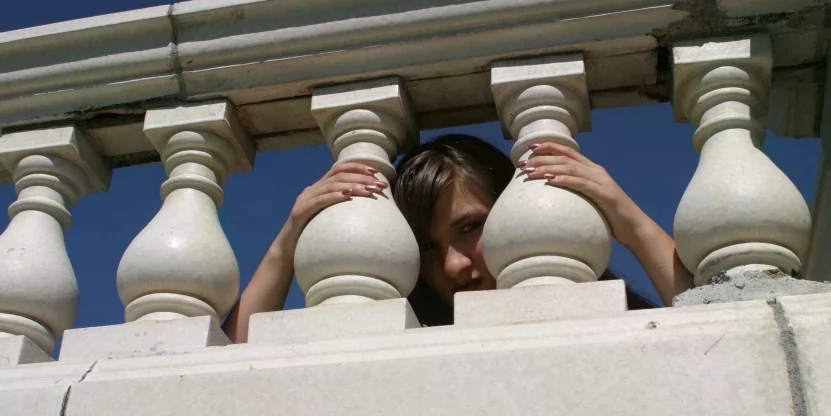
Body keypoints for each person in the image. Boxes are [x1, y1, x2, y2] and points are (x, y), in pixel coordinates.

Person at [222, 133, 693, 342]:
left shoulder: (605, 313)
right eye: (426, 249)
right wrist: (287, 244)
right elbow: (221, 366)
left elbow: (717, 319)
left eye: (469, 227)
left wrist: (625, 217)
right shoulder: (411, 338)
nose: (452, 267)